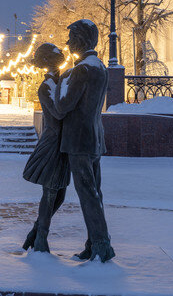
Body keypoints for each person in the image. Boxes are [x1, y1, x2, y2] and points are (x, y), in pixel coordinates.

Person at [54, 19, 115, 263]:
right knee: (94, 193)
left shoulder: (81, 70)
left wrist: (59, 83)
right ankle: (94, 244)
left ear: (80, 40)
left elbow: (61, 107)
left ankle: (101, 246)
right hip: (95, 139)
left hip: (79, 141)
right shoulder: (100, 66)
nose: (68, 43)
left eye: (71, 38)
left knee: (88, 195)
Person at [22, 43, 71, 253]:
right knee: (50, 193)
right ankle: (41, 238)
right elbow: (59, 113)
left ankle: (34, 233)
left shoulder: (60, 82)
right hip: (53, 143)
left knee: (60, 195)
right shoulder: (47, 86)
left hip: (63, 143)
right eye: (55, 56)